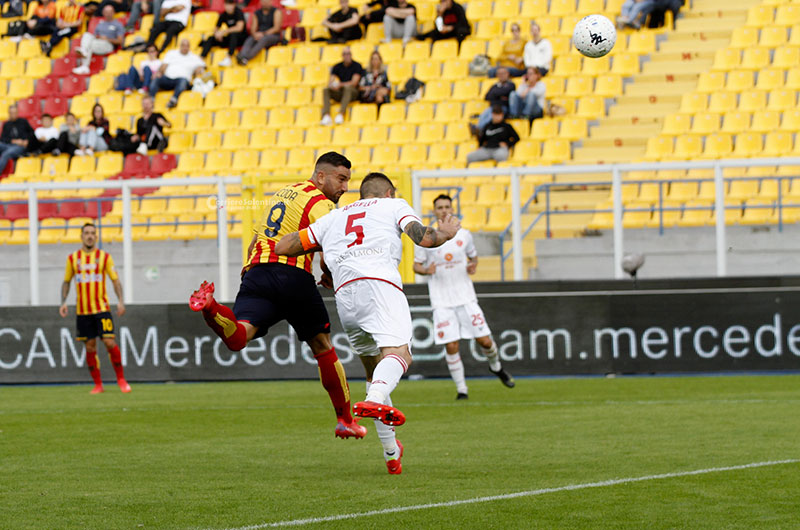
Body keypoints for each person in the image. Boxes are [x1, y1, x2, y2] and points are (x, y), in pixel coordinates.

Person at [275, 172, 461, 474]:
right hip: (380, 284)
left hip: (346, 296)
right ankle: (373, 399)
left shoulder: (334, 217)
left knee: (375, 370)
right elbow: (424, 238)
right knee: (399, 354)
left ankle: (391, 451)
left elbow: (284, 246)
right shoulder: (393, 205)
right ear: (388, 193)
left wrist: (327, 254)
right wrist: (447, 233)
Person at [189, 152, 365, 440]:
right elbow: (332, 243)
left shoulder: (281, 194)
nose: (345, 187)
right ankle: (345, 420)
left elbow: (253, 245)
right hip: (293, 275)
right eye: (341, 179)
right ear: (321, 176)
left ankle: (211, 307)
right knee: (322, 346)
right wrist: (329, 274)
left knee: (239, 337)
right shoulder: (320, 202)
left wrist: (252, 279)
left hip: (257, 271)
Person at [414, 194, 515, 399]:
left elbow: (473, 257)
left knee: (485, 341)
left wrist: (473, 265)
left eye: (447, 207)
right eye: (440, 207)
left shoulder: (464, 235)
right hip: (441, 300)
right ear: (434, 211)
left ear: (452, 209)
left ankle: (496, 366)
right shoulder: (427, 237)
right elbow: (416, 266)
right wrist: (426, 270)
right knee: (451, 345)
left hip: (466, 297)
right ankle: (462, 390)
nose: (444, 210)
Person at [59, 223, 131, 394]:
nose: (90, 236)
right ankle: (98, 384)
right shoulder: (73, 259)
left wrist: (120, 301)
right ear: (81, 236)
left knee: (109, 341)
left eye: (92, 233)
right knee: (90, 347)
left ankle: (121, 379)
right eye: (87, 233)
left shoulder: (104, 257)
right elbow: (67, 281)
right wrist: (63, 302)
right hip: (83, 311)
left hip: (101, 309)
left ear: (96, 237)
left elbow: (115, 280)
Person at [149, 38, 206, 109]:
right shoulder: (171, 53)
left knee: (183, 81)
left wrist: (198, 70)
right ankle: (151, 100)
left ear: (189, 47)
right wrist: (159, 72)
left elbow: (202, 66)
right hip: (168, 78)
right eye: (183, 45)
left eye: (187, 46)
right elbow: (164, 65)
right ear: (180, 46)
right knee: (156, 79)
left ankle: (173, 100)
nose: (185, 47)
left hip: (181, 80)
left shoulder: (194, 57)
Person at [72, 5, 124, 75]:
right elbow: (94, 36)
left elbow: (120, 41)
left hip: (109, 45)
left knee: (89, 45)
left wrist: (107, 39)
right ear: (103, 13)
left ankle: (85, 65)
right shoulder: (100, 24)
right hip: (98, 42)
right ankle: (84, 51)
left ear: (113, 12)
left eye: (110, 12)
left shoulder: (118, 25)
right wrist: (99, 37)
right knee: (87, 35)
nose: (108, 14)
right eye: (106, 12)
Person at [320, 46, 363, 125]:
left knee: (347, 88)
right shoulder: (337, 66)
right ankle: (326, 115)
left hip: (353, 92)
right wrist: (333, 86)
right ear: (342, 55)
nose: (347, 56)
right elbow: (330, 81)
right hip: (342, 91)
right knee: (326, 90)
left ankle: (341, 113)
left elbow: (354, 83)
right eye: (345, 54)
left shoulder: (357, 66)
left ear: (351, 55)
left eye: (349, 54)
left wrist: (340, 84)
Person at [235, 0, 282, 66]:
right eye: (264, 2)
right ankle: (243, 54)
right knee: (250, 39)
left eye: (267, 2)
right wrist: (255, 34)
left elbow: (276, 28)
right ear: (261, 2)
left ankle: (245, 57)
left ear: (271, 2)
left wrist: (263, 34)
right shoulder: (257, 13)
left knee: (264, 39)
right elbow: (253, 28)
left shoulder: (276, 12)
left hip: (273, 35)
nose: (265, 4)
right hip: (260, 34)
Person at [200, 0, 246, 67]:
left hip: (241, 39)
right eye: (227, 4)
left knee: (233, 34)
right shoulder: (223, 15)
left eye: (231, 4)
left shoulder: (238, 13)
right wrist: (217, 35)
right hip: (230, 39)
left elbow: (239, 28)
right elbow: (216, 28)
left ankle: (228, 57)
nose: (229, 7)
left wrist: (223, 32)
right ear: (224, 5)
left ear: (234, 5)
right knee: (211, 38)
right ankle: (201, 58)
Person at [474, 66, 515, 131]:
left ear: (507, 74)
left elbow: (504, 92)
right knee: (484, 114)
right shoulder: (494, 85)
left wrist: (495, 94)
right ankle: (478, 128)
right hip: (492, 107)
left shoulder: (511, 84)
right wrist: (500, 95)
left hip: (503, 108)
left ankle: (480, 130)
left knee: (491, 116)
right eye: (499, 74)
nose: (501, 75)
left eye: (503, 73)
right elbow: (487, 96)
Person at [0, 104, 35, 173]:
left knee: (6, 154)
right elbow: (3, 139)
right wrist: (13, 141)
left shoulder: (23, 121)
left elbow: (32, 133)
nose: (13, 114)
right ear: (9, 113)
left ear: (17, 112)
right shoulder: (6, 124)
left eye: (15, 112)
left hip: (20, 146)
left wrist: (27, 141)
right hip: (8, 145)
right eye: (11, 113)